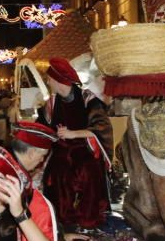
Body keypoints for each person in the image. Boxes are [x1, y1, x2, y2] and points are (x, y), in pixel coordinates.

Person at [38, 58, 113, 229]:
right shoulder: (51, 104)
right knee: (57, 173)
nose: (48, 81)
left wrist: (73, 134)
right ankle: (63, 221)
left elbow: (102, 128)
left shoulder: (87, 99)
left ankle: (89, 219)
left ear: (58, 81)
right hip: (60, 153)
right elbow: (41, 127)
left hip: (84, 150)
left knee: (88, 171)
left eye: (49, 78)